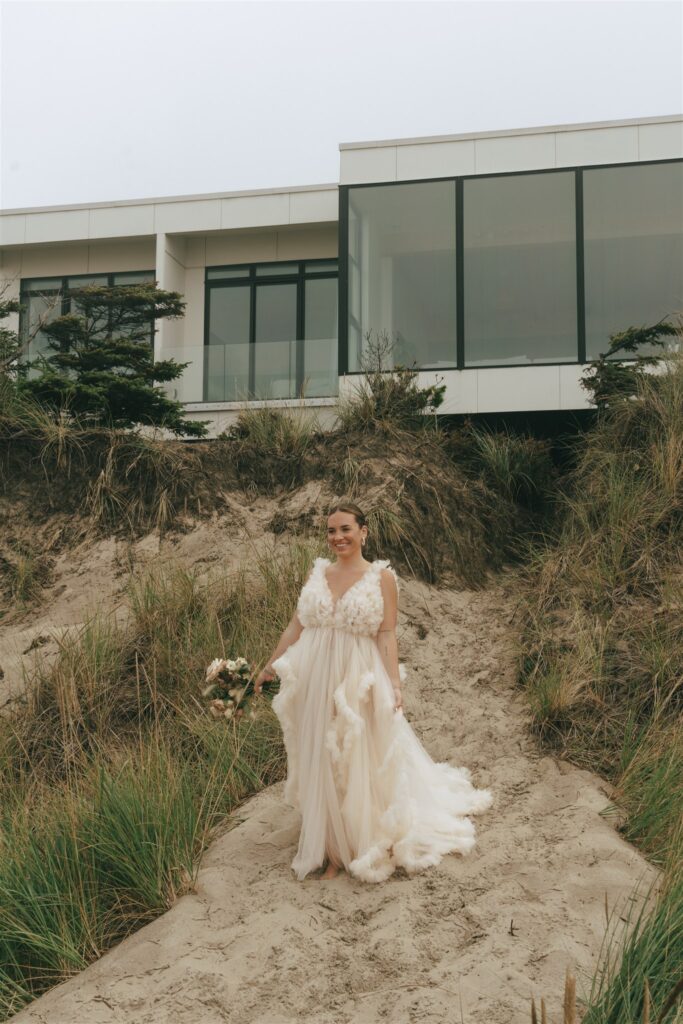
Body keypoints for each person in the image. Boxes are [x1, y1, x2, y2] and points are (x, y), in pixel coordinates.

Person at [254, 501, 493, 883]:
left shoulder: (381, 578)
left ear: (363, 531)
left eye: (345, 529)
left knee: (355, 755)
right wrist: (269, 666)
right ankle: (330, 849)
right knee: (322, 755)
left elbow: (385, 634)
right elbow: (294, 627)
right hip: (316, 676)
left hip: (357, 676)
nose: (338, 537)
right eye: (331, 531)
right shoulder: (317, 573)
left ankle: (353, 846)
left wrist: (394, 684)